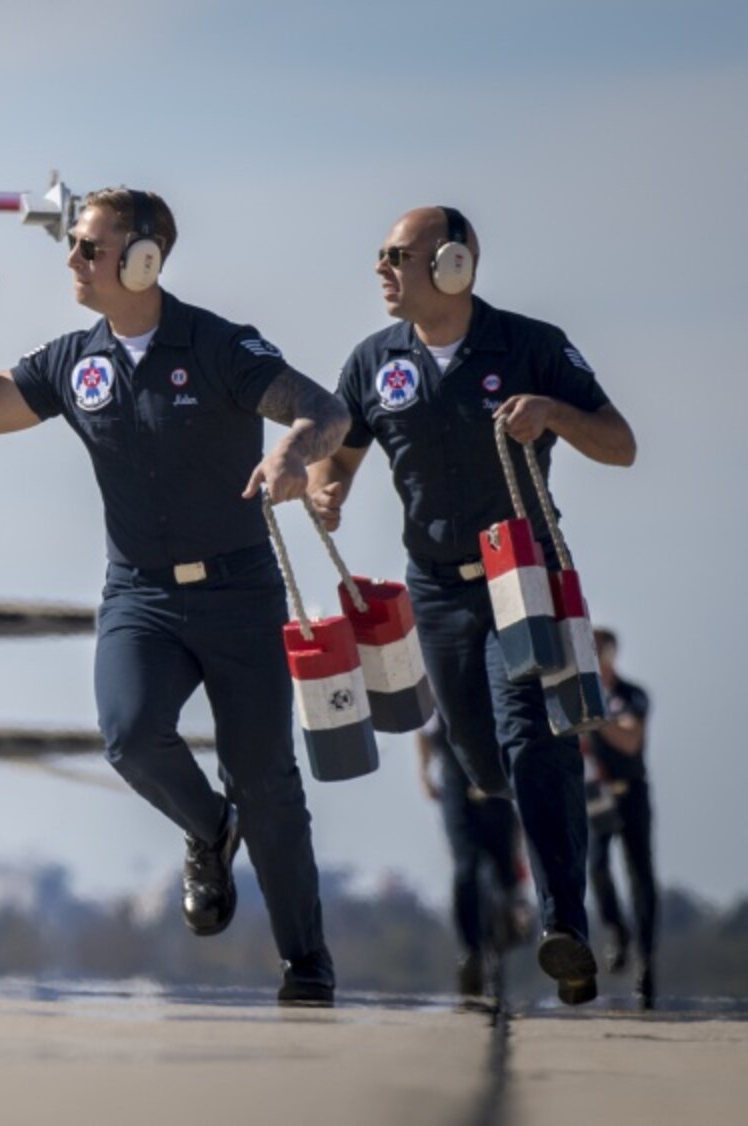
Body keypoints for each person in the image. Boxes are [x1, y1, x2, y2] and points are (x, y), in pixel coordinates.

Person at [0, 187, 349, 1004]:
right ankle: (209, 829)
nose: (74, 261)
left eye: (91, 248)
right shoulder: (74, 361)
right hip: (140, 596)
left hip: (239, 590)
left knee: (265, 777)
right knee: (127, 735)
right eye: (77, 246)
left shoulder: (219, 346)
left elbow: (322, 408)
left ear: (144, 258)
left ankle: (306, 963)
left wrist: (294, 453)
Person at [307, 206, 637, 1005]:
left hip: (518, 575)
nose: (381, 270)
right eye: (379, 256)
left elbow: (620, 443)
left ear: (454, 266)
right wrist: (328, 488)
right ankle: (536, 867)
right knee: (481, 758)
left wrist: (552, 412)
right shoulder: (373, 361)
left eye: (398, 256)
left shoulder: (531, 345)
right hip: (434, 588)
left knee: (533, 738)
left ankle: (567, 927)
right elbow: (342, 456)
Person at [417, 713, 530, 997]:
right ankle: (471, 953)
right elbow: (422, 730)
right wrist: (424, 773)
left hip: (496, 784)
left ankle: (508, 926)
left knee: (504, 869)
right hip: (455, 787)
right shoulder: (433, 685)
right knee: (466, 867)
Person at [580, 626, 657, 1007]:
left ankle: (647, 963)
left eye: (600, 649)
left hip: (631, 792)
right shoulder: (579, 694)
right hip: (596, 793)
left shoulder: (631, 695)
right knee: (596, 867)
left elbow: (630, 740)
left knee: (640, 874)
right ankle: (616, 930)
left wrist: (595, 718)